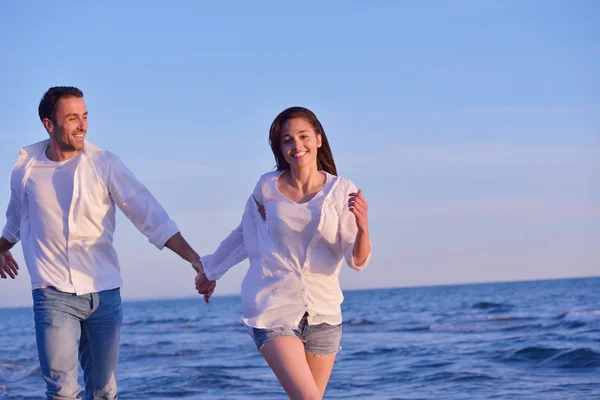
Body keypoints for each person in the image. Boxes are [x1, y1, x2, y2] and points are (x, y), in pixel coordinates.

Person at [0, 86, 215, 400]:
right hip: (52, 293)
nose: (82, 125)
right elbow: (16, 217)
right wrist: (2, 246)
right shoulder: (27, 167)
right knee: (62, 391)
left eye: (85, 116)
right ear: (49, 124)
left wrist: (196, 260)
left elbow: (150, 215)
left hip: (104, 292)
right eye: (72, 118)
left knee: (103, 391)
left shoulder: (105, 164)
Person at [194, 106, 371, 399]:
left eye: (303, 137)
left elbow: (357, 259)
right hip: (273, 307)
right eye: (287, 140)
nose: (296, 145)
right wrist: (210, 270)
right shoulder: (267, 187)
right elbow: (243, 235)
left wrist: (364, 228)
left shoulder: (342, 190)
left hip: (323, 313)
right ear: (280, 147)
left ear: (318, 139)